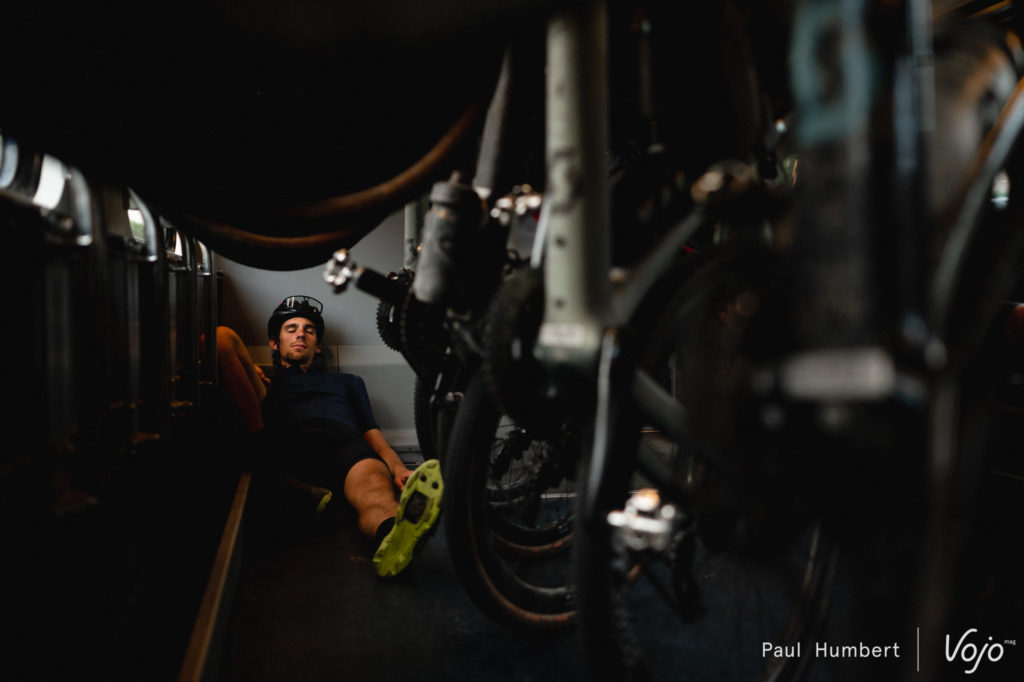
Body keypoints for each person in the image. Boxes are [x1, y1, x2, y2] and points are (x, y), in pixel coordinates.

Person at [217, 295, 443, 578]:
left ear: (317, 345)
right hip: (288, 442)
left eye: (309, 330)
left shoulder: (349, 382)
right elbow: (221, 341)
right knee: (221, 337)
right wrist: (249, 368)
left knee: (376, 494)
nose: (301, 334)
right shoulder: (267, 383)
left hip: (345, 444)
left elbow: (371, 433)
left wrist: (397, 468)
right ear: (274, 343)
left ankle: (393, 534)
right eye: (291, 329)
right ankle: (275, 474)